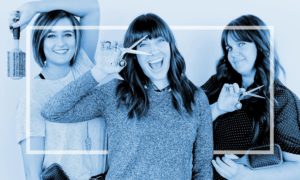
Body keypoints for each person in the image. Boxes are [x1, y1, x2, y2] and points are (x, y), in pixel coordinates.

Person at [41, 13, 213, 179]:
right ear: (134, 54)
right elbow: (53, 111)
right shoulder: (116, 93)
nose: (153, 51)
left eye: (160, 41)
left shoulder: (196, 98)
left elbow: (203, 167)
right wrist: (99, 72)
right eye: (144, 45)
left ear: (170, 46)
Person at [12, 0, 107, 179]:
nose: (61, 43)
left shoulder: (83, 67)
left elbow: (91, 8)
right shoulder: (33, 94)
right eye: (51, 36)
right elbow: (32, 173)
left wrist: (34, 7)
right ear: (40, 41)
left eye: (68, 34)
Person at [201, 14, 300, 180]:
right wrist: (217, 108)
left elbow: (297, 167)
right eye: (229, 47)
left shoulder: (280, 98)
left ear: (260, 46)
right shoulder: (217, 84)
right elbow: (182, 120)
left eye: (241, 44)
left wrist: (245, 175)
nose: (233, 53)